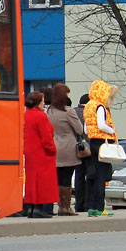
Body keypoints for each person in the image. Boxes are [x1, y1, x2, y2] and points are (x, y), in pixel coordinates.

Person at [48, 83, 85, 216]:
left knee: (58, 178)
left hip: (56, 147)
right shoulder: (68, 111)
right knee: (67, 178)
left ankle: (59, 206)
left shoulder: (50, 111)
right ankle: (66, 207)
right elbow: (79, 129)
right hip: (69, 148)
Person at [83, 80, 118, 217]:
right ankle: (100, 207)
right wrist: (112, 130)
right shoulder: (100, 106)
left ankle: (91, 206)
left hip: (93, 141)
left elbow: (86, 128)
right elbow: (102, 125)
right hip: (103, 142)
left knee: (94, 174)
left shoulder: (88, 106)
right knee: (101, 176)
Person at [24, 91, 58, 218]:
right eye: (42, 101)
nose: (44, 103)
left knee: (31, 180)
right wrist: (52, 150)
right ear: (38, 102)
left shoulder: (26, 115)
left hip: (30, 151)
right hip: (42, 152)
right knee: (43, 182)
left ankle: (31, 208)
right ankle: (39, 207)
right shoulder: (41, 116)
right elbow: (46, 137)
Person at [73, 93, 90, 212]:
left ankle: (78, 204)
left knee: (78, 176)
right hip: (89, 148)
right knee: (90, 175)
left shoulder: (73, 112)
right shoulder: (90, 112)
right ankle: (87, 203)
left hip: (76, 148)